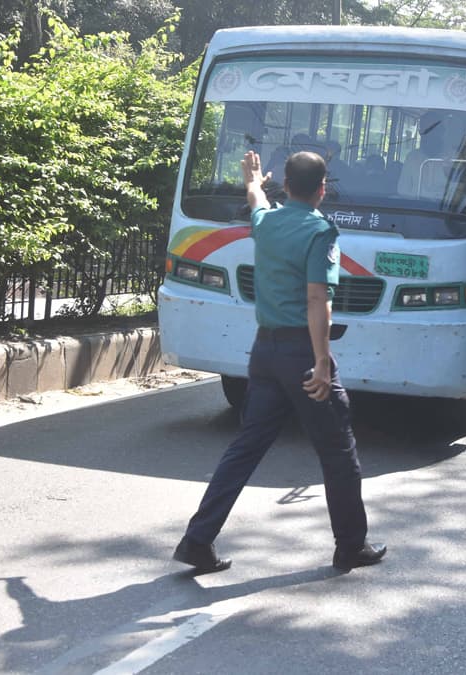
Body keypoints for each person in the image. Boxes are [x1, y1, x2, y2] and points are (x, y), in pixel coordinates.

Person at [172, 150, 387, 574]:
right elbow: (317, 298)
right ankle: (350, 546)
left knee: (245, 448)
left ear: (285, 185)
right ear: (322, 189)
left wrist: (252, 178)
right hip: (301, 354)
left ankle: (198, 540)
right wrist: (323, 361)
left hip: (265, 352)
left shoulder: (267, 222)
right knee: (338, 450)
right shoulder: (320, 231)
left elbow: (256, 200)